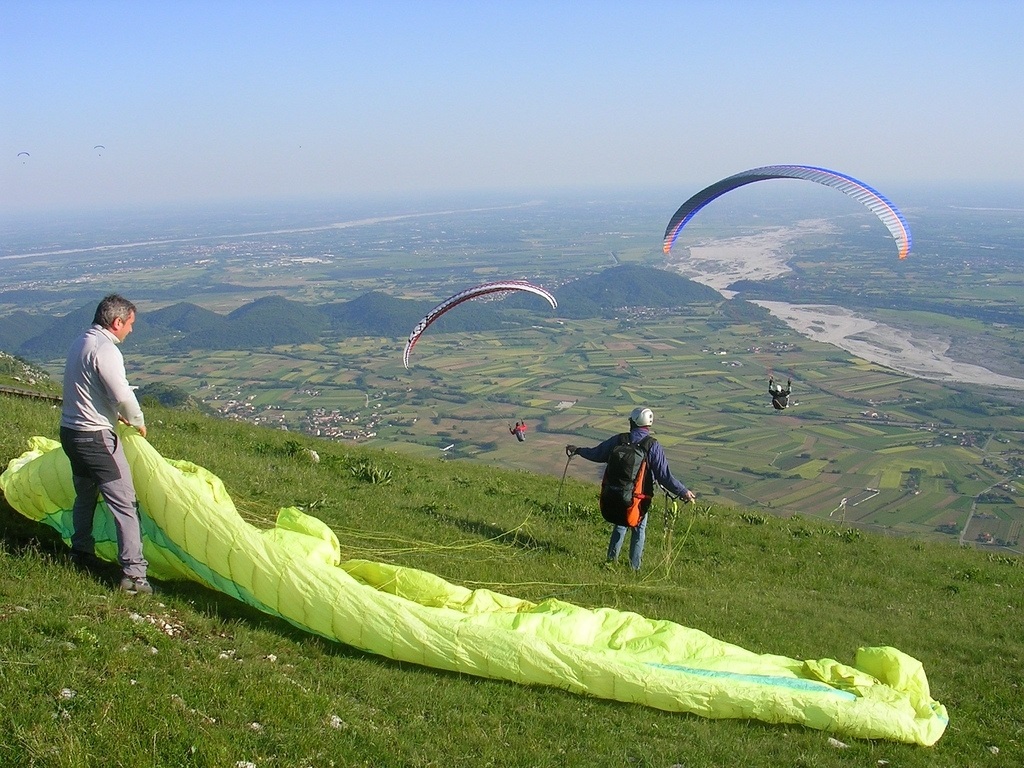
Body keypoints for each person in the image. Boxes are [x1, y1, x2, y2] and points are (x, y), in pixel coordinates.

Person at [59, 294, 152, 595]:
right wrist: (136, 419)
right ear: (117, 322)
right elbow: (122, 393)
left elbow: (90, 389)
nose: (131, 331)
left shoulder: (81, 341)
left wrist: (112, 413)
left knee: (85, 495)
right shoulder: (106, 349)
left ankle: (81, 551)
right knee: (125, 504)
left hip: (71, 433)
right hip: (96, 438)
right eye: (130, 324)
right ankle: (134, 577)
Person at [565, 406, 695, 571]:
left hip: (615, 492)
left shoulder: (620, 440)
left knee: (620, 523)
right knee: (639, 528)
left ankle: (611, 561)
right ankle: (634, 568)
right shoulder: (652, 445)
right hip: (639, 497)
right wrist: (683, 491)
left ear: (633, 422)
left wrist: (578, 450)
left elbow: (598, 454)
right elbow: (664, 476)